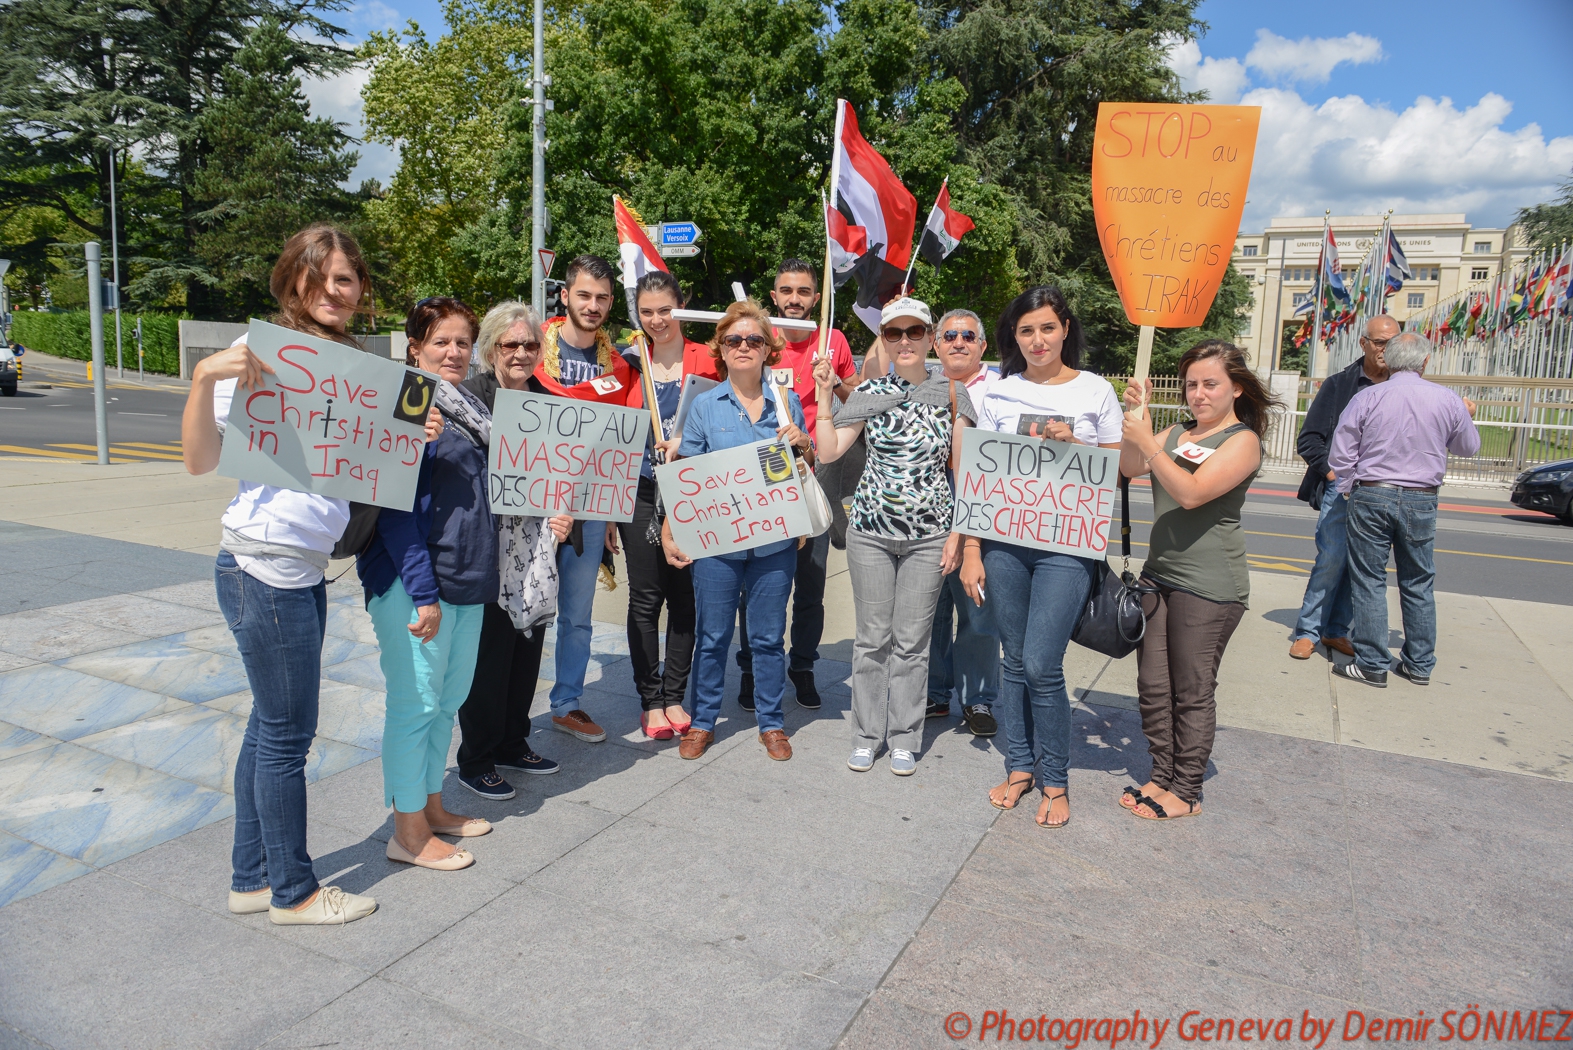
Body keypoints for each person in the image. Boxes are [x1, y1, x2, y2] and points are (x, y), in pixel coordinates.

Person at [181, 224, 393, 924]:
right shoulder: (258, 357)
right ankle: (293, 892)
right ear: (294, 280)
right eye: (323, 277)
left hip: (298, 569)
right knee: (286, 735)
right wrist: (205, 377)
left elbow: (364, 470)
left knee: (269, 727)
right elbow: (199, 461)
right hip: (263, 565)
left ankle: (250, 877)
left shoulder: (352, 367)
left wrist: (404, 441)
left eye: (347, 279)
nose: (336, 291)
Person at [960, 286, 1122, 828]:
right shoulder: (997, 394)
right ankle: (1020, 765)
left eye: (1047, 328)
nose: (1037, 340)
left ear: (1066, 329)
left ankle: (1056, 778)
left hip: (1067, 550)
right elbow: (979, 476)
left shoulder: (1097, 392)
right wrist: (973, 549)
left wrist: (1076, 445)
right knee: (1012, 660)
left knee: (1041, 664)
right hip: (1005, 546)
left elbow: (1117, 471)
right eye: (1026, 330)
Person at [358, 296, 495, 871]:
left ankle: (432, 807)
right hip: (418, 583)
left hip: (467, 578)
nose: (454, 351)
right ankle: (406, 832)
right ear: (415, 347)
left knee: (447, 703)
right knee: (414, 706)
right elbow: (392, 509)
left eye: (462, 341)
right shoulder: (407, 402)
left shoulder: (469, 404)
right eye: (441, 341)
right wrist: (421, 592)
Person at [1119, 340, 1276, 822]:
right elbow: (1128, 468)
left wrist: (1149, 443)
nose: (1199, 394)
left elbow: (1191, 493)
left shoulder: (1241, 441)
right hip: (1159, 576)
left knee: (1191, 687)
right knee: (1152, 684)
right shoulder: (1174, 433)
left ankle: (1186, 789)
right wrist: (1137, 421)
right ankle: (1161, 774)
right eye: (1191, 384)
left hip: (1210, 584)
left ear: (1236, 388)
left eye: (1211, 384)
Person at [814, 296, 972, 776]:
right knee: (871, 639)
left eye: (915, 332)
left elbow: (965, 472)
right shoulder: (869, 392)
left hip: (930, 535)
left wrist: (959, 537)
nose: (904, 342)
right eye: (893, 334)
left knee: (913, 641)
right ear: (883, 338)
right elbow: (828, 449)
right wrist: (824, 396)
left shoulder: (952, 394)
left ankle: (904, 735)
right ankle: (867, 734)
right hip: (870, 533)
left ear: (930, 338)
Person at [661, 300, 811, 762]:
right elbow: (690, 474)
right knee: (712, 636)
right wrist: (670, 529)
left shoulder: (787, 404)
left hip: (773, 542)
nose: (744, 347)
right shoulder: (704, 406)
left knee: (767, 639)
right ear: (720, 349)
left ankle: (771, 722)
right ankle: (703, 721)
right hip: (718, 544)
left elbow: (803, 468)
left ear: (769, 349)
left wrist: (803, 446)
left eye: (754, 340)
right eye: (734, 340)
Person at [453, 302, 574, 800]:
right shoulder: (467, 400)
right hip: (487, 547)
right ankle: (476, 757)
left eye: (530, 345)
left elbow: (570, 474)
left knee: (527, 650)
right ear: (491, 349)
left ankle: (513, 741)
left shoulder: (549, 403)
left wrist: (566, 513)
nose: (522, 353)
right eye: (511, 345)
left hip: (536, 553)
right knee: (488, 658)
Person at [731, 259, 859, 713]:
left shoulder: (833, 341)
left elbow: (857, 401)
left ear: (816, 298)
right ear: (774, 295)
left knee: (811, 581)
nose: (794, 300)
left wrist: (834, 379)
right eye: (786, 291)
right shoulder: (761, 338)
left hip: (813, 472)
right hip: (763, 474)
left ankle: (802, 665)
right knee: (759, 582)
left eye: (803, 292)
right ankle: (751, 668)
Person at [1328, 332, 1480, 688]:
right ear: (1425, 362)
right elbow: (1468, 447)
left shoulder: (1369, 396)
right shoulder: (1447, 399)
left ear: (1389, 360)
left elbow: (1342, 451)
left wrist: (1350, 486)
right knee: (1418, 581)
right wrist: (1465, 415)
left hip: (1373, 493)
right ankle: (1419, 663)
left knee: (1369, 580)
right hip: (1422, 496)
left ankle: (1372, 663)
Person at [534, 254, 643, 744]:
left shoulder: (618, 365)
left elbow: (618, 444)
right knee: (519, 609)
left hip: (592, 507)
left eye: (602, 298)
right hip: (531, 503)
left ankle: (566, 703)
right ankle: (503, 705)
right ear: (565, 296)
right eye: (584, 295)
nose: (593, 305)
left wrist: (613, 513)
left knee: (577, 612)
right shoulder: (531, 348)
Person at [620, 270, 707, 739]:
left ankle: (676, 694)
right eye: (647, 311)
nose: (656, 320)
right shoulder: (629, 363)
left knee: (684, 596)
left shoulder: (709, 360)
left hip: (693, 495)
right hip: (640, 491)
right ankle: (650, 700)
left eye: (665, 310)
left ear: (682, 306)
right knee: (645, 597)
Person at [1287, 315, 1396, 661]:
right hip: (1344, 487)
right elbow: (1309, 440)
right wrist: (1334, 475)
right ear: (1364, 344)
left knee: (1359, 564)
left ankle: (1335, 631)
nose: (1385, 349)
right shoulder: (1338, 385)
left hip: (1382, 490)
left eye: (1392, 342)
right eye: (1379, 342)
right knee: (1332, 559)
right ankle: (1307, 631)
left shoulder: (1403, 385)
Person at [925, 308, 1001, 736]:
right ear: (936, 344)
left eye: (968, 336)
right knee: (931, 609)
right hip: (931, 508)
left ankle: (978, 699)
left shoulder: (1004, 391)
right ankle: (935, 692)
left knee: (978, 609)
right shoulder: (922, 386)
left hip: (984, 508)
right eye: (949, 335)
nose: (958, 342)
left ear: (982, 346)